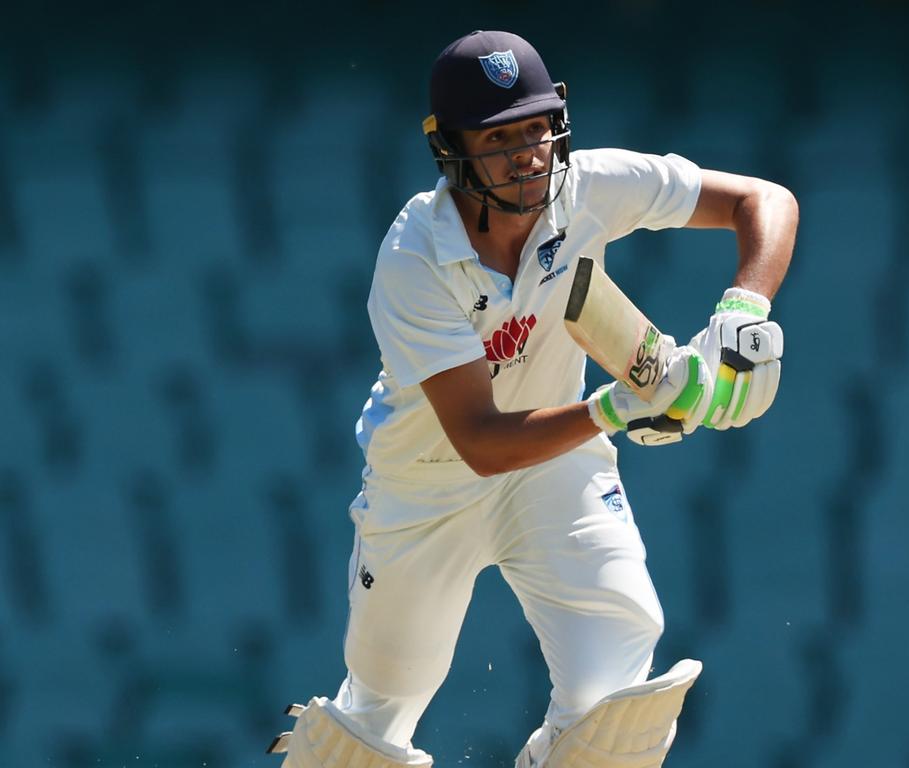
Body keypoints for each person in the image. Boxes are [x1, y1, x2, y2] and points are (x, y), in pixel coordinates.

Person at [268, 29, 797, 768]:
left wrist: (745, 310)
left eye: (539, 127)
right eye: (499, 136)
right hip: (426, 487)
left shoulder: (590, 188)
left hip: (555, 468)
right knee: (377, 718)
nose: (528, 151)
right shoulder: (415, 256)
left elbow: (762, 199)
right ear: (449, 148)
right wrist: (616, 409)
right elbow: (480, 442)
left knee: (618, 684)